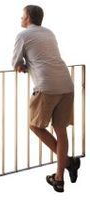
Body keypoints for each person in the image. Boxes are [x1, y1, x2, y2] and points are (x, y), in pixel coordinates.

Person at [12, 5, 81, 192]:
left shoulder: (23, 35)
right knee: (61, 130)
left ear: (27, 18)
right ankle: (59, 178)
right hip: (66, 84)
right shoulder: (49, 33)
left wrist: (24, 65)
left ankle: (68, 163)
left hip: (46, 86)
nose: (20, 19)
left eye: (22, 16)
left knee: (35, 125)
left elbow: (15, 63)